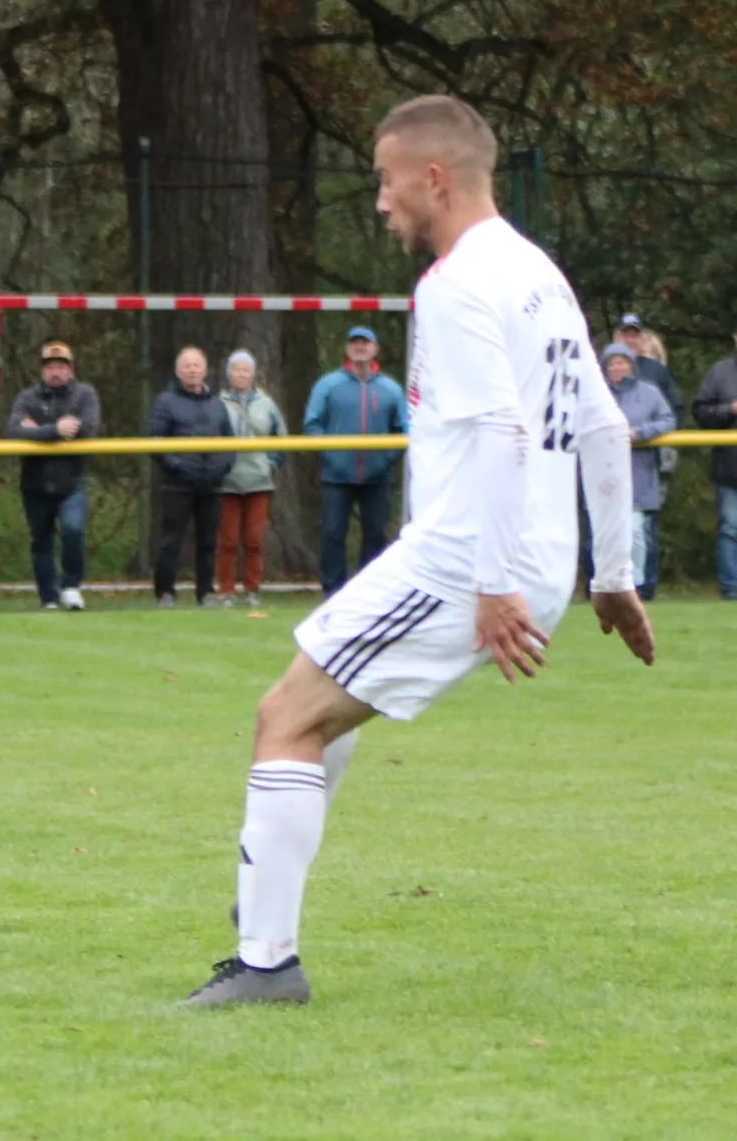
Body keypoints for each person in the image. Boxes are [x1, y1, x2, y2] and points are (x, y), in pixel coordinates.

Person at [184, 95, 653, 1008]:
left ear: (433, 178)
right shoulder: (538, 271)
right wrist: (611, 576)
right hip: (519, 559)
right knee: (313, 715)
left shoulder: (455, 283)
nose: (379, 200)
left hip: (466, 560)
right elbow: (603, 426)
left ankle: (266, 963)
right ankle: (268, 914)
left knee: (286, 716)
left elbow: (503, 431)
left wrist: (492, 584)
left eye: (385, 179)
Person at [304, 325, 407, 596]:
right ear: (347, 348)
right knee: (332, 534)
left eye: (365, 342)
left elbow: (404, 430)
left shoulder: (390, 389)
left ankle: (368, 593)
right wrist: (331, 456)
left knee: (375, 535)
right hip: (337, 476)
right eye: (355, 342)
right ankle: (333, 592)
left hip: (377, 476)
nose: (360, 347)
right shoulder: (328, 385)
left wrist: (387, 458)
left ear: (375, 349)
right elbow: (313, 424)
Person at [4, 341, 102, 610]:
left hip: (72, 480)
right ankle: (48, 597)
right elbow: (15, 430)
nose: (55, 372)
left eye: (61, 367)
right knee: (41, 539)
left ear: (70, 369)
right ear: (42, 370)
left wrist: (38, 430)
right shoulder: (28, 397)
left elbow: (88, 429)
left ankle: (71, 586)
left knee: (73, 530)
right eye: (50, 367)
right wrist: (56, 430)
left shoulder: (84, 395)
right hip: (35, 481)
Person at [147, 346, 235, 608]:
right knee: (171, 540)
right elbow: (154, 441)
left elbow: (230, 441)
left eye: (197, 365)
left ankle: (206, 592)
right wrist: (176, 466)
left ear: (205, 370)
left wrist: (223, 466)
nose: (192, 370)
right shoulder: (165, 402)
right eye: (187, 365)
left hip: (212, 484)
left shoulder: (217, 403)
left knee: (208, 541)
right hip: (178, 484)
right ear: (177, 371)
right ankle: (165, 592)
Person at [599, 344, 674, 600]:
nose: (616, 368)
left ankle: (637, 585)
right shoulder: (597, 393)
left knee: (635, 530)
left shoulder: (649, 392)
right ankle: (607, 583)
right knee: (605, 532)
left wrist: (639, 432)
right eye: (611, 364)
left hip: (639, 470)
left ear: (631, 365)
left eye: (621, 363)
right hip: (603, 470)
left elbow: (668, 420)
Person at [215, 350, 288, 608]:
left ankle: (252, 589)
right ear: (229, 374)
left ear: (253, 374)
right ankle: (225, 590)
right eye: (237, 369)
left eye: (246, 369)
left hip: (259, 481)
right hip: (227, 481)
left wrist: (271, 464)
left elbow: (281, 437)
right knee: (227, 540)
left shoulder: (267, 404)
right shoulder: (219, 403)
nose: (241, 374)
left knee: (254, 539)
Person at [690, 333, 737, 600]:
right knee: (730, 529)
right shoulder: (719, 373)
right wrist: (729, 409)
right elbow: (700, 414)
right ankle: (731, 589)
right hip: (729, 468)